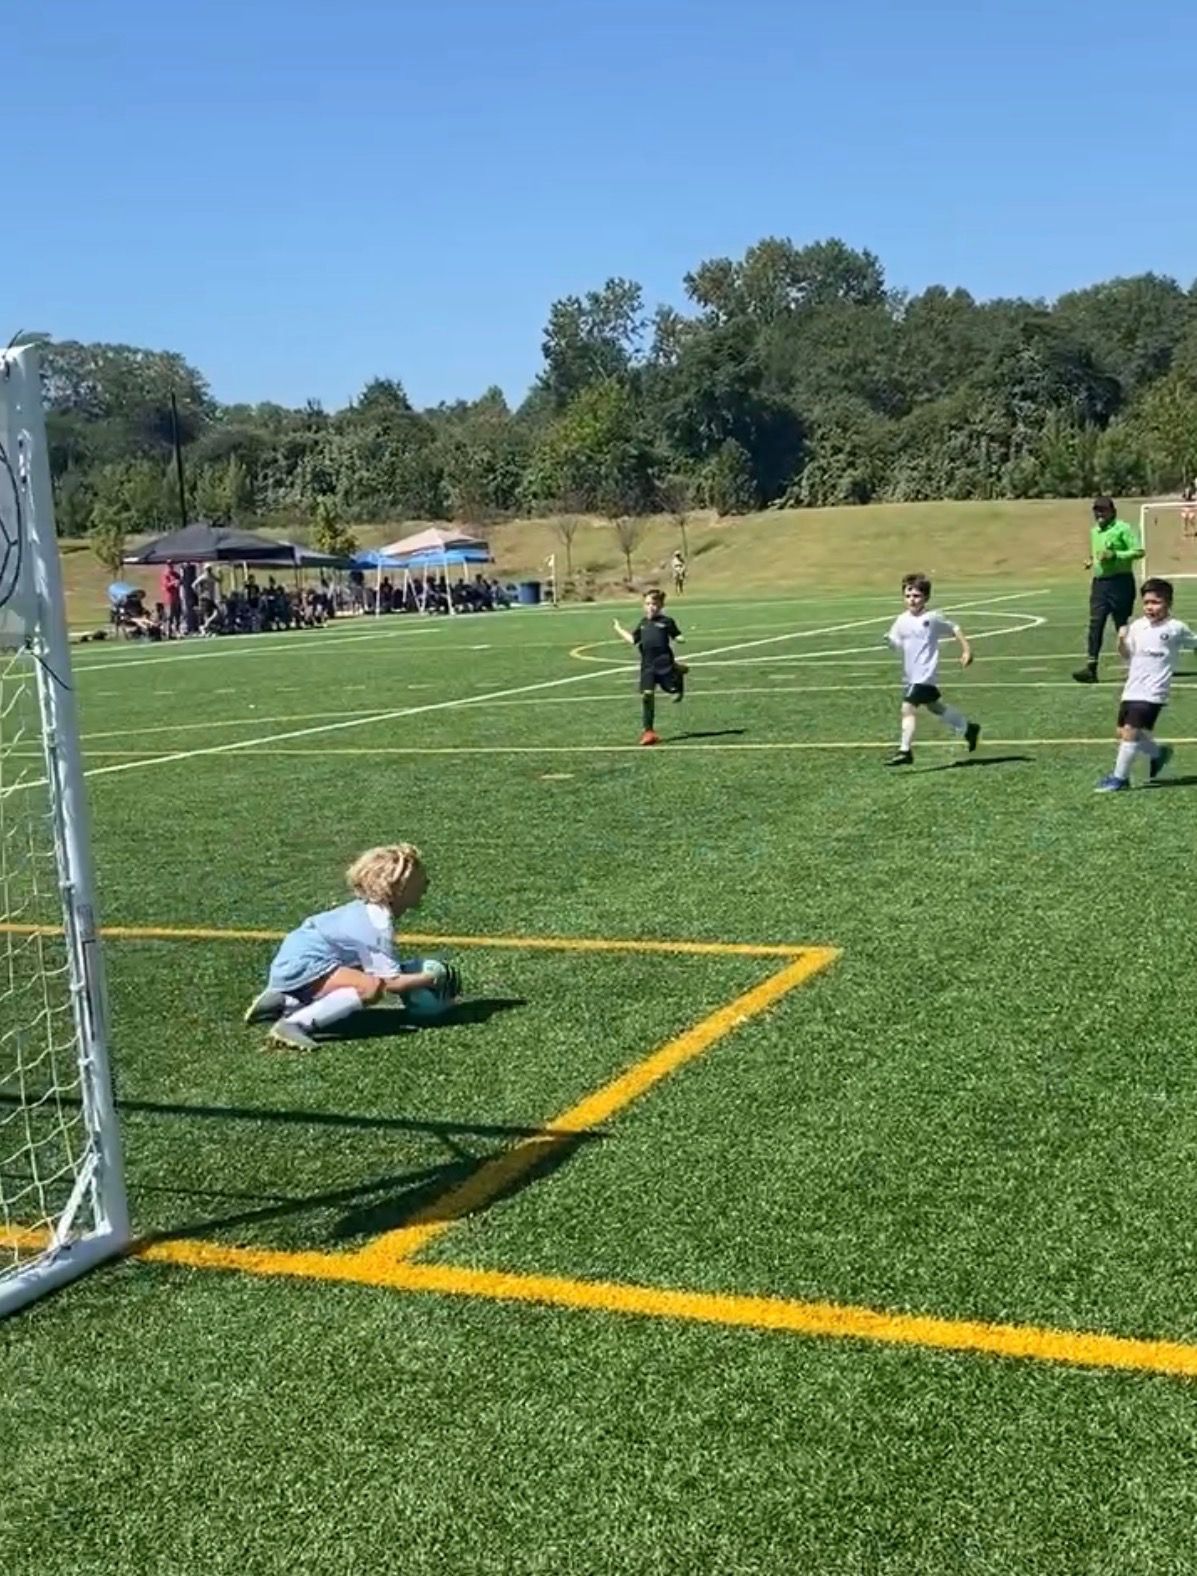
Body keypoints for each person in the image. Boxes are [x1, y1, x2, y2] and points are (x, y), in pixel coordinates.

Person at [243, 843, 460, 1050]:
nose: (427, 883)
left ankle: (284, 1000)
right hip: (304, 963)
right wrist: (433, 978)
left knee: (366, 973)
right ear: (398, 888)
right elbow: (391, 983)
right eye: (419, 880)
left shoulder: (371, 911)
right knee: (370, 988)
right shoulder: (377, 922)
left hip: (296, 958)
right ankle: (295, 1024)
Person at [1094, 577, 1196, 792]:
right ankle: (1158, 754)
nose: (1150, 607)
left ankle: (1119, 778)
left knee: (1131, 730)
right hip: (1132, 688)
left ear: (1168, 602)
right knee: (1123, 732)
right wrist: (1121, 640)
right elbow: (1126, 655)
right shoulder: (1137, 626)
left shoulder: (1176, 628)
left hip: (1154, 691)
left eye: (1156, 602)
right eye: (1147, 602)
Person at [884, 573, 981, 766]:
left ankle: (905, 751)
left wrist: (966, 650)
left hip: (925, 675)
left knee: (907, 708)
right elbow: (896, 643)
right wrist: (890, 641)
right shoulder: (901, 620)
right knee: (935, 707)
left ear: (926, 598)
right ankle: (968, 728)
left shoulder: (932, 618)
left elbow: (954, 628)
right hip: (911, 676)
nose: (912, 600)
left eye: (917, 596)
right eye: (908, 595)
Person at [1074, 497, 1144, 684]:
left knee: (1121, 626)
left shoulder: (1123, 528)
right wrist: (1091, 560)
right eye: (1096, 511)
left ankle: (1135, 666)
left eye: (1103, 510)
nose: (1099, 514)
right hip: (1100, 584)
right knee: (1095, 624)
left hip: (1120, 582)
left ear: (1112, 511)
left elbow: (1138, 551)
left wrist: (1115, 555)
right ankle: (1091, 667)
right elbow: (1098, 553)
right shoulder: (1094, 532)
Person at [613, 587, 688, 746]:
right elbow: (634, 640)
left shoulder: (667, 622)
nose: (650, 607)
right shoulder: (643, 623)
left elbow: (677, 635)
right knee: (647, 695)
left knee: (674, 694)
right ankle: (649, 732)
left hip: (665, 664)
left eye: (654, 604)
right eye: (647, 604)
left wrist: (680, 638)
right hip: (647, 666)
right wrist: (618, 629)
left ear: (661, 605)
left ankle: (678, 676)